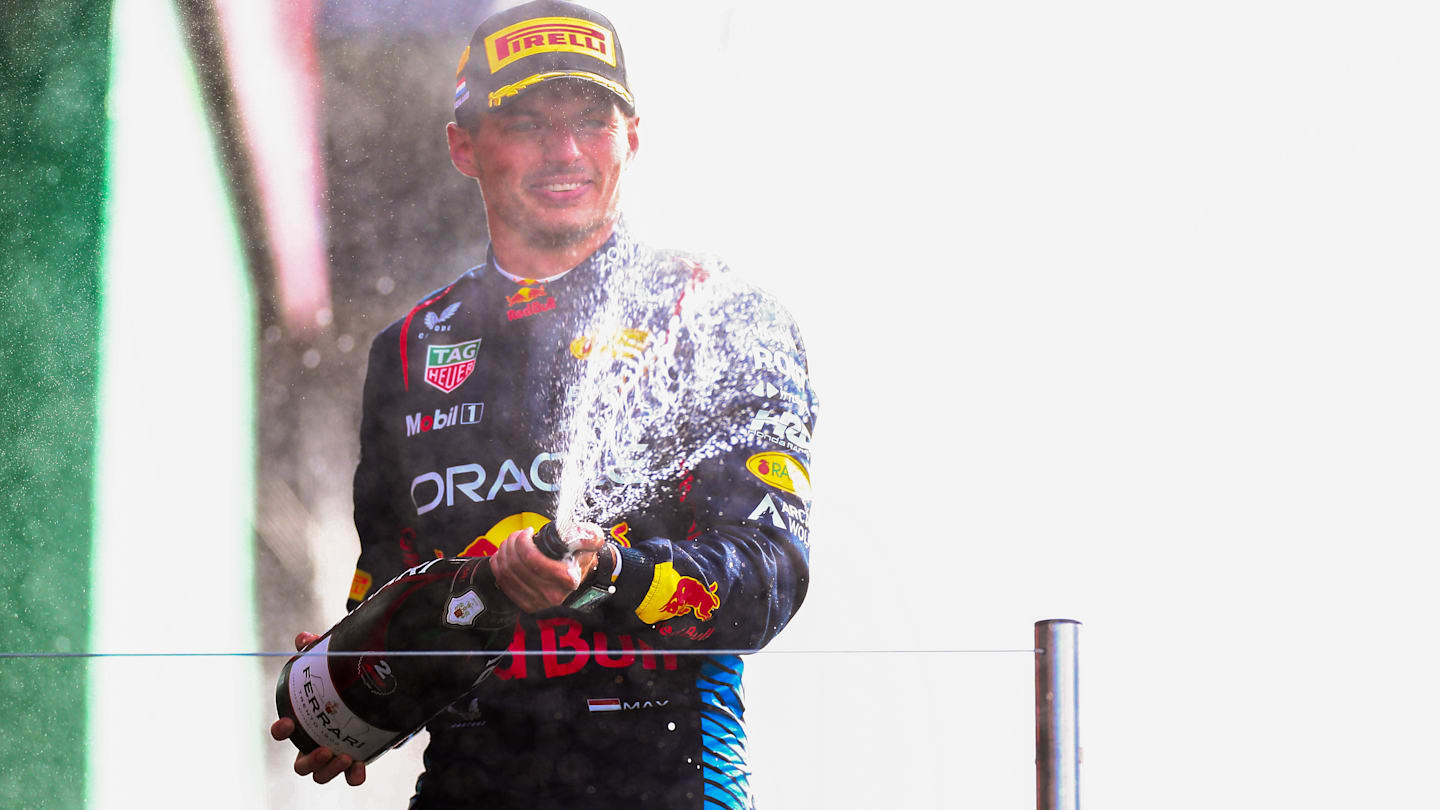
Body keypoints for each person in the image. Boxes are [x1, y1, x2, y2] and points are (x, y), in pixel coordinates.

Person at [270, 2, 816, 807]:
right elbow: (391, 581)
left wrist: (613, 572)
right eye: (525, 123)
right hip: (467, 788)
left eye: (591, 120)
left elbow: (771, 576)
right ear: (464, 146)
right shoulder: (411, 348)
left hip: (667, 784)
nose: (563, 152)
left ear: (633, 135)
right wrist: (353, 690)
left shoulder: (717, 314)